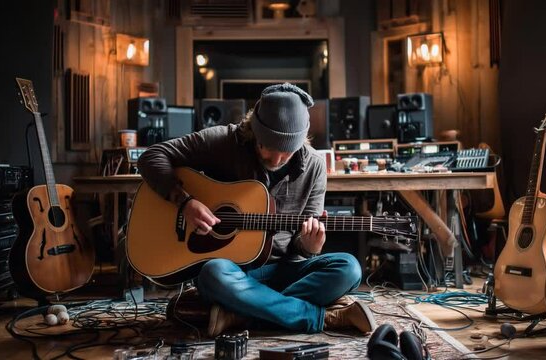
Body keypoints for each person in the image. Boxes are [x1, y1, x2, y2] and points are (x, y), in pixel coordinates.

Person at [137, 83, 376, 337]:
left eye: (287, 152)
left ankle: (240, 314)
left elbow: (301, 248)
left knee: (349, 268)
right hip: (232, 273)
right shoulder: (223, 141)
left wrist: (310, 246)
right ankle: (323, 318)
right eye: (267, 148)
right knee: (212, 273)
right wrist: (184, 202)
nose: (276, 160)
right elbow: (152, 156)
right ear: (254, 130)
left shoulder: (315, 166)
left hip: (284, 270)